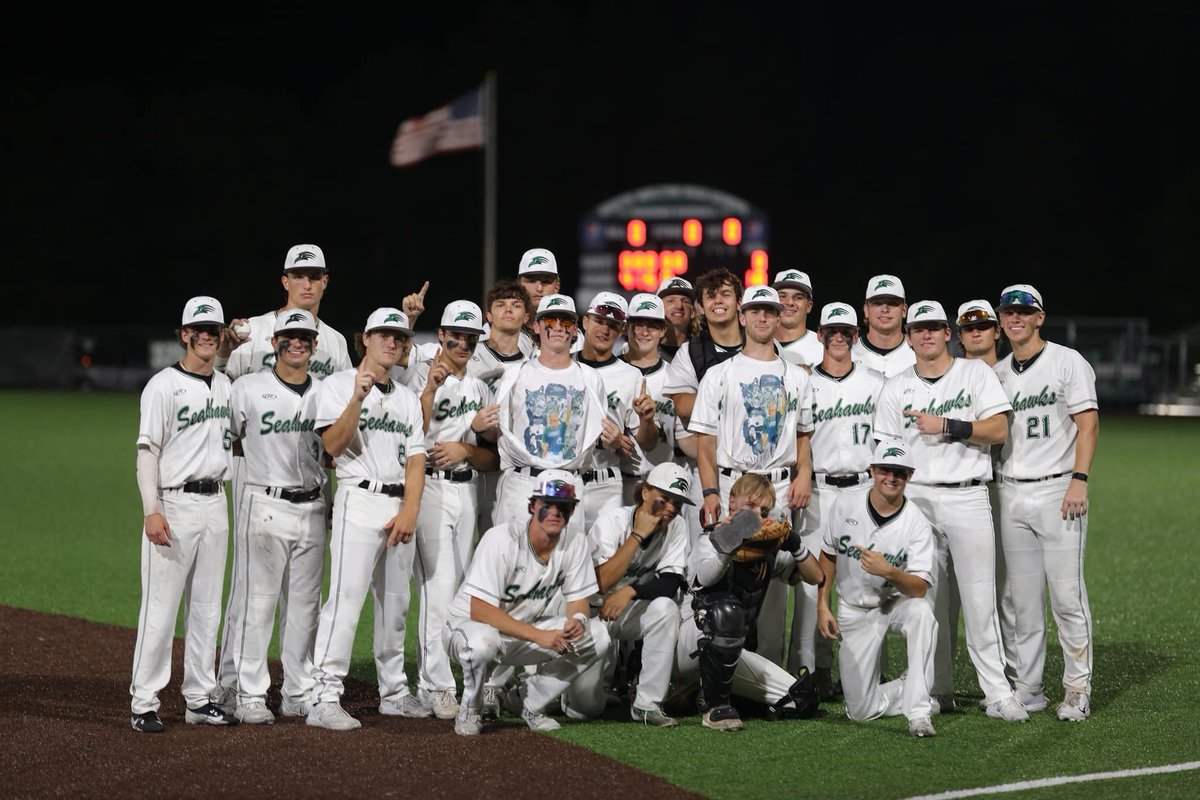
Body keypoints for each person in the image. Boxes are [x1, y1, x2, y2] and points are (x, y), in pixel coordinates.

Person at [873, 300, 1028, 722]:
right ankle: (936, 691)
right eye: (918, 328)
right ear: (908, 337)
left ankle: (996, 693)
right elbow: (884, 452)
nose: (926, 334)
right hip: (917, 499)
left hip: (968, 495)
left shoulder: (974, 373)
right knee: (928, 603)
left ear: (948, 334)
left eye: (934, 327)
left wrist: (946, 425)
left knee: (981, 600)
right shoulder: (895, 387)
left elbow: (998, 430)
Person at [215, 243, 351, 719]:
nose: (308, 283)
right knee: (251, 591)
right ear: (285, 279)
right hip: (255, 470)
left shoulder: (333, 343)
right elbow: (221, 399)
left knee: (303, 598)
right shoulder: (251, 333)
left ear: (326, 280)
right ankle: (233, 686)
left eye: (316, 275)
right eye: (300, 274)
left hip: (313, 478)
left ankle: (296, 687)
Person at [306, 308, 427, 730]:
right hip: (359, 500)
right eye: (383, 335)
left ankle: (393, 692)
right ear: (365, 339)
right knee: (344, 601)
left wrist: (410, 510)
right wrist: (357, 398)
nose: (392, 343)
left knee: (396, 605)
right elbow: (334, 447)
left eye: (399, 337)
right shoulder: (338, 385)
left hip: (399, 507)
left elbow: (416, 460)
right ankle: (323, 697)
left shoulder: (409, 397)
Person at [690, 285, 814, 667]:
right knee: (722, 576)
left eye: (770, 311)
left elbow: (803, 434)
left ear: (779, 319)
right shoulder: (719, 373)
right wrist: (710, 490)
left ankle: (769, 675)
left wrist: (804, 473)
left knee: (774, 580)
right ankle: (711, 671)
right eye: (756, 310)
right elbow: (705, 441)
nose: (763, 317)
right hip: (732, 482)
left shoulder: (797, 376)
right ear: (742, 317)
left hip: (777, 483)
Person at [130, 296, 236, 732]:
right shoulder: (163, 385)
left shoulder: (225, 385)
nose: (207, 335)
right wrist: (151, 510)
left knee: (207, 609)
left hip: (216, 504)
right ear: (184, 334)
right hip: (173, 505)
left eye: (214, 329)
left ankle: (197, 698)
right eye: (200, 329)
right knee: (160, 607)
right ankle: (143, 702)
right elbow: (146, 452)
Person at [993, 284, 1098, 722]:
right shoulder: (997, 372)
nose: (1015, 318)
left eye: (1024, 311)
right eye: (1008, 312)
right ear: (1001, 320)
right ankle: (1029, 688)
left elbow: (1088, 425)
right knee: (1022, 600)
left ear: (1040, 317)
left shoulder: (1067, 361)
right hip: (1010, 490)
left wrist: (1080, 479)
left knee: (1067, 595)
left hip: (1058, 490)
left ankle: (1077, 688)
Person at [443, 470, 612, 735]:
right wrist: (540, 636)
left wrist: (577, 621)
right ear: (532, 506)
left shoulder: (576, 542)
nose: (555, 513)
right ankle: (471, 709)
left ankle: (529, 701)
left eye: (563, 507)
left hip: (521, 633)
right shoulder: (501, 539)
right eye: (548, 505)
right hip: (467, 628)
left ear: (572, 511)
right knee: (484, 642)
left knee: (598, 635)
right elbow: (480, 610)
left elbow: (578, 601)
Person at [224, 309, 327, 724]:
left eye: (304, 336)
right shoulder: (248, 388)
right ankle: (250, 693)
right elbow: (226, 439)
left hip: (315, 505)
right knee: (258, 602)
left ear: (315, 345)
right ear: (274, 342)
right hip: (265, 503)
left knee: (305, 606)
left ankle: (297, 691)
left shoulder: (326, 391)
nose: (297, 342)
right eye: (289, 336)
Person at [403, 300, 500, 720]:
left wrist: (469, 443)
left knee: (457, 589)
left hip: (467, 489)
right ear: (440, 335)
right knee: (437, 589)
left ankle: (441, 680)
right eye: (455, 335)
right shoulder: (418, 377)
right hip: (430, 490)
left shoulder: (479, 389)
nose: (462, 342)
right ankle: (435, 685)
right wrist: (427, 391)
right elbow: (409, 438)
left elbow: (491, 460)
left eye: (470, 337)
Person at [787, 302, 886, 696]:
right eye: (832, 331)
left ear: (856, 337)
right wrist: (803, 475)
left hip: (863, 488)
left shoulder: (875, 382)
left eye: (846, 332)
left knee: (862, 582)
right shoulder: (803, 382)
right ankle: (810, 672)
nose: (839, 337)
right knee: (812, 584)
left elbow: (885, 440)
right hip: (819, 490)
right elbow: (800, 436)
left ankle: (861, 672)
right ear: (820, 336)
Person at [679, 473, 824, 730]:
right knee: (724, 612)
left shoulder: (764, 551)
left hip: (730, 653)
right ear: (731, 502)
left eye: (764, 510)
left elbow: (815, 576)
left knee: (801, 698)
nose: (758, 514)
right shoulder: (709, 541)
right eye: (750, 507)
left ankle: (714, 694)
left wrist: (795, 544)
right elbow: (706, 577)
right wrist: (731, 544)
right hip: (687, 647)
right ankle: (715, 709)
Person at [816, 441, 939, 738]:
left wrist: (892, 572)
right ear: (871, 470)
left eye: (900, 472)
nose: (891, 477)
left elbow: (920, 588)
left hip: (893, 603)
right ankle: (912, 684)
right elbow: (829, 554)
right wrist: (822, 603)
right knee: (860, 711)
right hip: (854, 610)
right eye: (885, 469)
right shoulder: (844, 504)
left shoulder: (917, 523)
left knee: (922, 612)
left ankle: (919, 712)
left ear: (909, 476)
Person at [562, 463, 693, 726]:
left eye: (677, 504)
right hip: (590, 615)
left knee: (665, 608)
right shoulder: (613, 522)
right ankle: (565, 692)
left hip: (626, 610)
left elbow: (671, 582)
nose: (671, 508)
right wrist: (637, 535)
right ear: (645, 493)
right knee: (586, 709)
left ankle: (647, 703)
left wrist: (631, 591)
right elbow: (600, 582)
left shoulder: (676, 526)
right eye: (665, 499)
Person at [490, 294, 609, 537]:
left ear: (575, 330)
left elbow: (598, 433)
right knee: (512, 562)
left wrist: (614, 438)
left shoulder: (591, 378)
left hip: (570, 481)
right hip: (523, 482)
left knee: (567, 567)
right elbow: (498, 430)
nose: (557, 327)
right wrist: (479, 426)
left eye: (565, 322)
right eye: (549, 320)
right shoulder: (515, 374)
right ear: (536, 325)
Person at [663, 268, 745, 549]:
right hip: (710, 470)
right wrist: (739, 399)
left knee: (759, 561)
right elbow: (684, 406)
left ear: (739, 302)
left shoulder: (760, 346)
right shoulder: (691, 351)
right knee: (704, 559)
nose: (717, 301)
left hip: (756, 470)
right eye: (710, 296)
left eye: (725, 294)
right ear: (701, 306)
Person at [574, 291, 658, 530]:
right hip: (568, 476)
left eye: (613, 324)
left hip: (606, 483)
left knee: (605, 557)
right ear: (585, 321)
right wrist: (604, 440)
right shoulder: (564, 366)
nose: (605, 329)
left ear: (622, 330)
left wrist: (647, 421)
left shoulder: (631, 376)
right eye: (599, 320)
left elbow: (647, 444)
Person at [467, 279, 532, 535]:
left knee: (498, 548)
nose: (508, 310)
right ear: (488, 316)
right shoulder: (467, 355)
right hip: (466, 465)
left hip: (507, 470)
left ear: (526, 317)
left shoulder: (533, 366)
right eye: (500, 304)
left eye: (516, 305)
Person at [619, 292, 687, 503]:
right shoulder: (610, 372)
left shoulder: (676, 377)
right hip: (618, 482)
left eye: (653, 325)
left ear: (663, 331)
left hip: (664, 481)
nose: (644, 332)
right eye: (638, 324)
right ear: (626, 328)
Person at [852, 274, 915, 378]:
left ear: (904, 310)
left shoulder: (919, 353)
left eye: (892, 303)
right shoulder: (849, 352)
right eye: (877, 303)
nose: (885, 309)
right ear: (866, 310)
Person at [773, 269, 823, 368]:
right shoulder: (756, 344)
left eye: (798, 297)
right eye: (782, 296)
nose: (790, 302)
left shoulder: (823, 348)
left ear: (809, 306)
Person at [516, 247, 562, 351]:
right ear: (518, 285)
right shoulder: (497, 331)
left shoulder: (570, 333)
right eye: (531, 281)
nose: (539, 288)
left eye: (546, 281)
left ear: (557, 287)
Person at [656, 276, 697, 359]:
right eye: (671, 301)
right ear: (659, 309)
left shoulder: (702, 354)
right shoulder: (644, 352)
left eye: (685, 301)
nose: (679, 306)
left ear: (693, 312)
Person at [956, 300, 1003, 365]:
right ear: (961, 337)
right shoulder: (951, 375)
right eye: (968, 329)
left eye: (982, 327)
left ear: (997, 331)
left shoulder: (1012, 373)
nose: (975, 334)